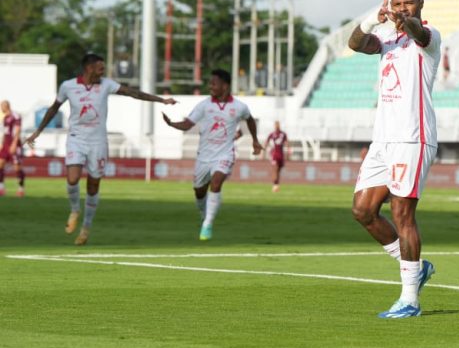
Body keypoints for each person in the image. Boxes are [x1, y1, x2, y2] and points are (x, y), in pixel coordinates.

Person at [347, 0, 440, 319]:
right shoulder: (387, 38)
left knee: (403, 215)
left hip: (412, 139)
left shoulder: (429, 38)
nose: (403, 9)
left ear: (420, 4)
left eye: (409, 3)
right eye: (398, 4)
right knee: (363, 210)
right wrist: (373, 19)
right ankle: (416, 267)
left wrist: (406, 22)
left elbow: (416, 30)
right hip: (383, 140)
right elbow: (355, 43)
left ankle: (410, 301)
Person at [24, 53, 177, 245]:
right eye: (100, 67)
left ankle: (86, 228)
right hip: (76, 139)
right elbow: (54, 108)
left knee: (93, 185)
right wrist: (38, 132)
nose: (103, 71)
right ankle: (74, 210)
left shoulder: (106, 85)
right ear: (88, 68)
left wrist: (161, 100)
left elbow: (132, 92)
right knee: (72, 179)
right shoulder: (68, 86)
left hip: (98, 143)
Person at [162, 69, 262, 241]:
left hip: (225, 155)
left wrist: (255, 140)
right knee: (199, 192)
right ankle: (204, 214)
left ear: (225, 85)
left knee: (216, 183)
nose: (210, 86)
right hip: (204, 156)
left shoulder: (239, 107)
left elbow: (250, 119)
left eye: (213, 83)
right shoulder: (204, 105)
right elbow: (187, 124)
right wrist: (171, 124)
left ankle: (208, 224)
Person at [0, 100, 25, 197]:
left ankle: (21, 189)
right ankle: (1, 188)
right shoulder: (5, 117)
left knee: (17, 167)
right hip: (5, 144)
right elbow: (5, 132)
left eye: (2, 106)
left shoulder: (16, 116)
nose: (1, 108)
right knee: (0, 164)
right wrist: (2, 144)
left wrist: (14, 143)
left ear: (6, 106)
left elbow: (18, 130)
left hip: (14, 144)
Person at [265, 120, 288, 192]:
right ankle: (275, 185)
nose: (276, 126)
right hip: (274, 154)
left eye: (277, 125)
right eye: (275, 125)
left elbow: (287, 142)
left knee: (278, 170)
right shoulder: (272, 134)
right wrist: (263, 151)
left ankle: (276, 184)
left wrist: (288, 152)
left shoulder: (283, 134)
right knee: (275, 169)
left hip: (281, 154)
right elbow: (266, 142)